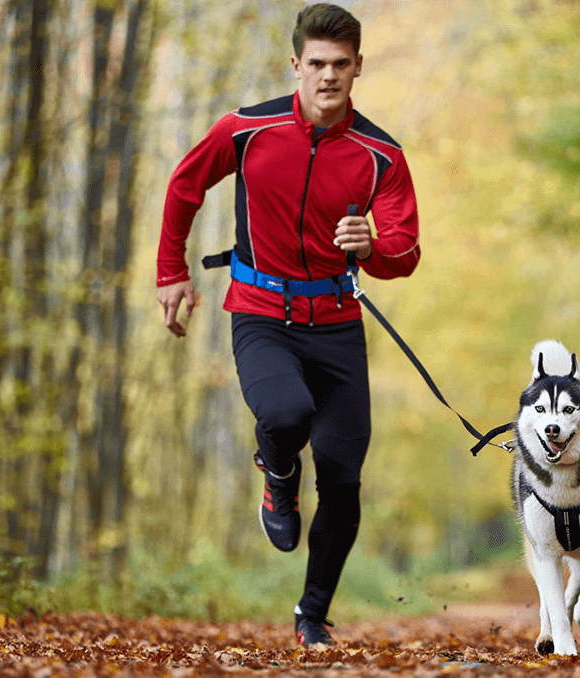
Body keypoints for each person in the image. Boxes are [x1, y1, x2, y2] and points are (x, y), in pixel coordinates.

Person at [155, 3, 420, 647]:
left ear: (358, 67)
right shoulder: (247, 129)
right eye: (317, 63)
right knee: (284, 413)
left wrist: (372, 248)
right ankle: (277, 475)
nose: (329, 76)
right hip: (261, 312)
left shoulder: (381, 154)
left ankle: (312, 617)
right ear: (295, 64)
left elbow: (406, 251)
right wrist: (171, 272)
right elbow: (185, 185)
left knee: (343, 476)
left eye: (341, 64)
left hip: (336, 322)